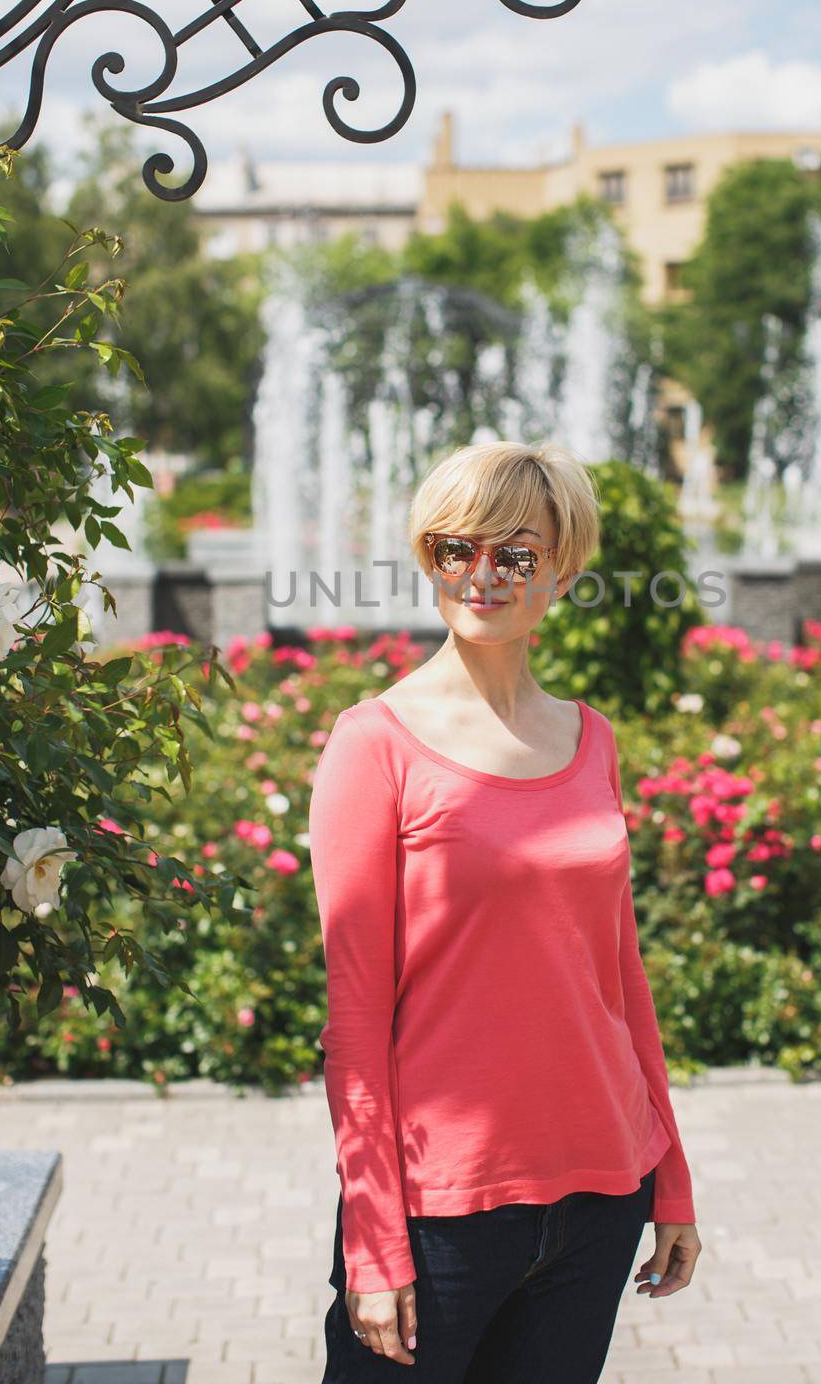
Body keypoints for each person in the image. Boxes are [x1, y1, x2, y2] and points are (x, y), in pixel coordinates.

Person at [309, 439, 701, 1381]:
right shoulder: (375, 746)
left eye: (514, 555)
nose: (479, 576)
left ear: (561, 571)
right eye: (454, 550)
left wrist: (671, 1178)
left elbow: (620, 977)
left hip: (602, 1191)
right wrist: (372, 1240)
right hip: (441, 1209)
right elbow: (356, 1020)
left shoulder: (590, 738)